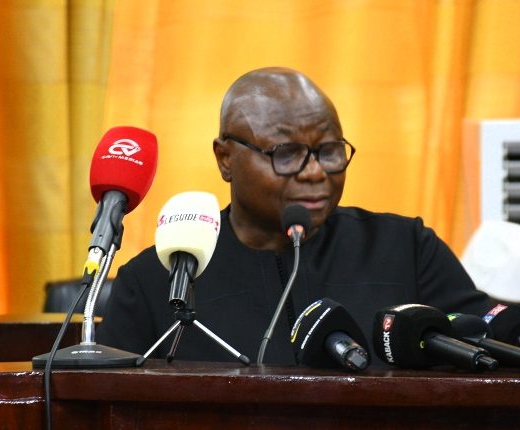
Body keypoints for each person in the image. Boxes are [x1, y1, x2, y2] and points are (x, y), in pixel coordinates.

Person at [97, 67, 491, 366]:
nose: (315, 172)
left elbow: (487, 354)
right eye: (286, 154)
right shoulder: (155, 280)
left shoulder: (406, 249)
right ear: (225, 159)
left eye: (329, 151)